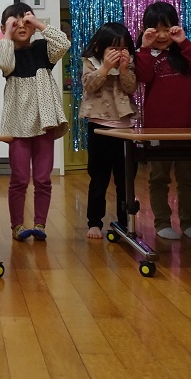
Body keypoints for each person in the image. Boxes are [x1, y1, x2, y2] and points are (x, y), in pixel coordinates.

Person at [135, 2, 191, 241]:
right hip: (158, 129)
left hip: (189, 126)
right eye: (155, 29)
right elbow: (143, 77)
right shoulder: (144, 54)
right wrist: (144, 48)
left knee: (188, 177)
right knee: (159, 177)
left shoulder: (182, 52)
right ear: (146, 30)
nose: (162, 35)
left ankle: (188, 222)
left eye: (167, 29)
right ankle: (162, 222)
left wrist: (183, 42)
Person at [0, 2, 69, 242]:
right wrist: (7, 34)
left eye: (25, 20)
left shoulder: (42, 49)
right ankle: (17, 225)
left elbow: (63, 43)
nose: (21, 25)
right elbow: (4, 63)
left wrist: (39, 24)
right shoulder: (7, 50)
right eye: (14, 21)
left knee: (42, 179)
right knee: (19, 178)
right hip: (18, 124)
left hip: (44, 122)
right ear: (5, 27)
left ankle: (40, 224)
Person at [79, 22, 137, 240]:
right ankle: (94, 222)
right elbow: (89, 85)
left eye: (123, 48)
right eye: (113, 48)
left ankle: (125, 221)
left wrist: (123, 69)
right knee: (99, 176)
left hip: (125, 127)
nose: (119, 52)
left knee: (125, 178)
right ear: (100, 47)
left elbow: (131, 87)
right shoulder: (90, 62)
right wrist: (104, 68)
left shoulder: (129, 64)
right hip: (99, 126)